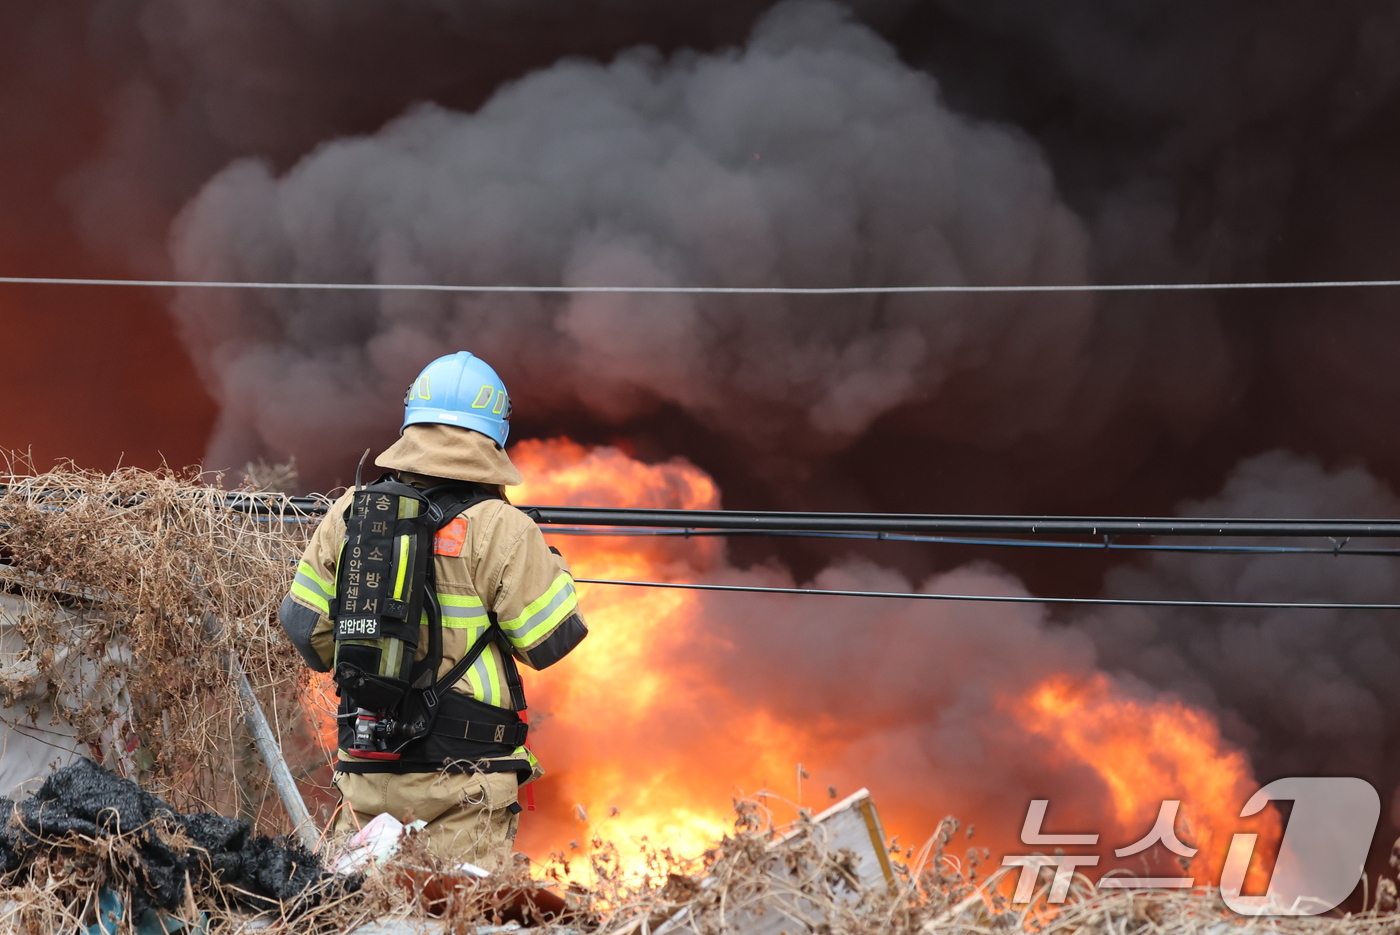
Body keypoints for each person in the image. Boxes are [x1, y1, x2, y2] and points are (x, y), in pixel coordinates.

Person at [278, 351, 588, 868]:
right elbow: (548, 640)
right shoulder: (502, 528)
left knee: (364, 916)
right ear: (494, 433)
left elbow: (307, 634)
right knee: (448, 916)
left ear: (412, 422)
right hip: (464, 779)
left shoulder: (353, 513)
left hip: (366, 773)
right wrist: (549, 564)